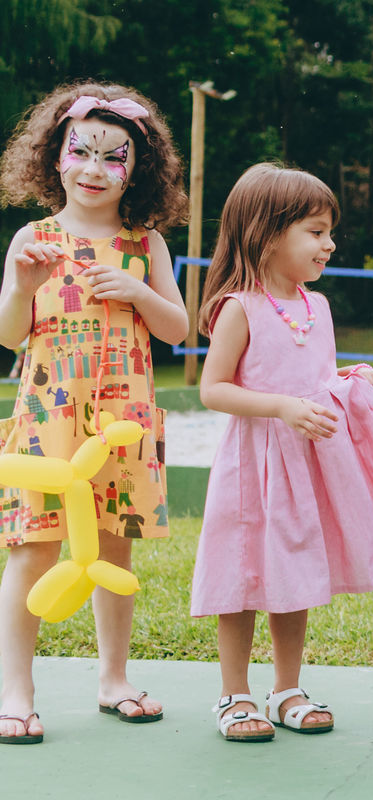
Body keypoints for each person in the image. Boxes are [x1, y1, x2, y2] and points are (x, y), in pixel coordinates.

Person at [192, 164, 373, 742]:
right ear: (267, 233)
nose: (329, 244)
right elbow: (214, 389)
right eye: (316, 231)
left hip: (302, 467)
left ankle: (286, 689)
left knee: (295, 572)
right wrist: (281, 406)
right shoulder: (241, 307)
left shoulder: (317, 306)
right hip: (254, 468)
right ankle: (234, 694)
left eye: (330, 232)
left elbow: (316, 376)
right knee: (243, 575)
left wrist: (355, 377)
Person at [0, 82, 190, 744]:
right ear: (56, 157)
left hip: (121, 424)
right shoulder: (33, 238)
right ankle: (15, 690)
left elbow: (177, 329)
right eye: (81, 151)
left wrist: (138, 291)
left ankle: (114, 679)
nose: (94, 169)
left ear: (137, 170)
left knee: (115, 547)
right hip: (48, 419)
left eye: (114, 157)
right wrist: (22, 287)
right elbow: (8, 335)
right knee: (33, 549)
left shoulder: (146, 244)